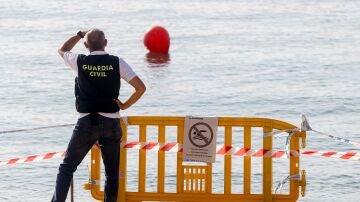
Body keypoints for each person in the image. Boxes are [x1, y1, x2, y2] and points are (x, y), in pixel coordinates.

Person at [52, 29, 146, 202]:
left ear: (86, 45)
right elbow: (141, 88)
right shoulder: (117, 62)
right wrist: (125, 105)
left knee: (67, 167)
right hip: (111, 124)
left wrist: (79, 34)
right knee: (111, 174)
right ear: (106, 43)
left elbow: (62, 50)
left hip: (87, 123)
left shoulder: (79, 61)